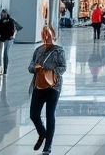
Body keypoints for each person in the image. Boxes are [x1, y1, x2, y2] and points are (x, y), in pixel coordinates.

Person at [29, 25, 67, 155]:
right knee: (34, 114)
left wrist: (51, 73)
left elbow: (63, 66)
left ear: (53, 35)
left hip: (53, 86)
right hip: (39, 85)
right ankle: (43, 133)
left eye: (48, 34)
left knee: (50, 115)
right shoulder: (38, 50)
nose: (46, 36)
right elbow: (30, 65)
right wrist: (35, 68)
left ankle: (48, 146)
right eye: (44, 34)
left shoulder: (58, 50)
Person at [0, 9, 19, 76]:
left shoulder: (11, 21)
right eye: (3, 13)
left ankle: (5, 69)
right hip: (0, 39)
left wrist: (12, 35)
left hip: (8, 39)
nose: (4, 14)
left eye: (5, 13)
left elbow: (13, 30)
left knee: (5, 53)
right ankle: (0, 69)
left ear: (7, 13)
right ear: (1, 14)